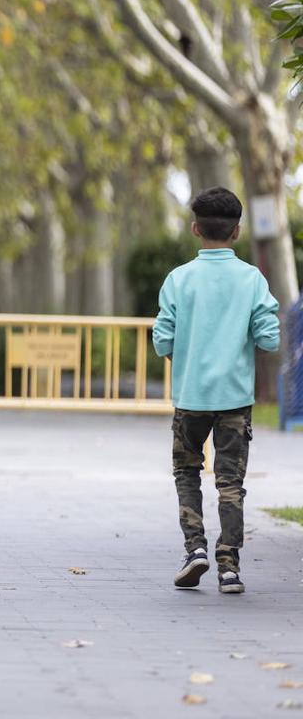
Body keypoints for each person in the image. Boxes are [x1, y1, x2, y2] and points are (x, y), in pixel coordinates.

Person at [153, 187, 279, 595]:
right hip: (235, 401)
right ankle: (230, 567)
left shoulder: (179, 279)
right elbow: (270, 337)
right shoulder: (251, 279)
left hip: (190, 398)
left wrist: (188, 356)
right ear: (237, 231)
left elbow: (162, 341)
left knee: (187, 471)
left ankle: (195, 550)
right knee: (230, 482)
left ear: (195, 229)